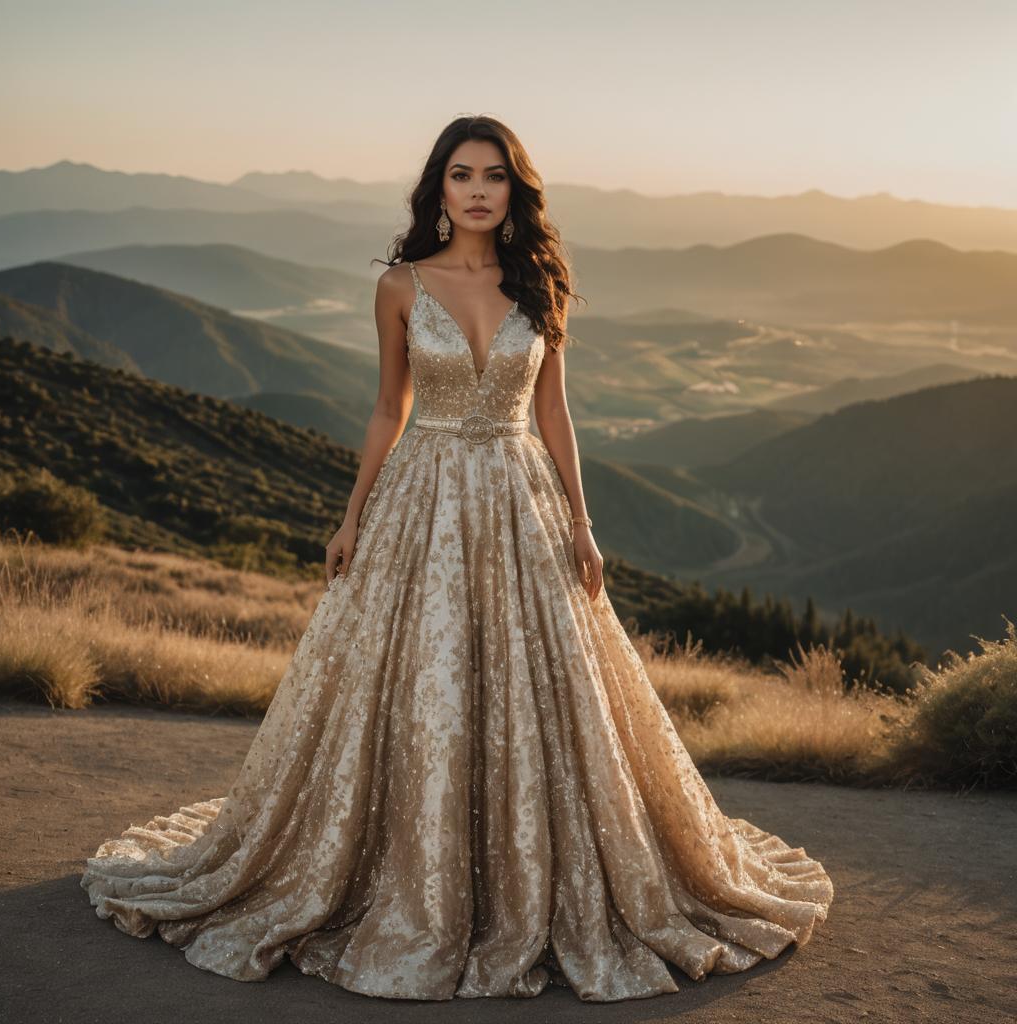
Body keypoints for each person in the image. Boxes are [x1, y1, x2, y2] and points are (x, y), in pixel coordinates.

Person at [81, 115, 834, 1003]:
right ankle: (411, 876)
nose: (478, 189)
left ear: (517, 190)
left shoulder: (541, 286)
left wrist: (584, 523)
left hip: (523, 500)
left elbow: (555, 414)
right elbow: (385, 409)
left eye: (496, 176)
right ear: (438, 188)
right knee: (424, 685)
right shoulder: (401, 286)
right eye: (461, 174)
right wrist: (351, 516)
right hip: (422, 498)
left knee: (542, 687)